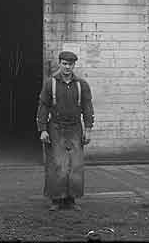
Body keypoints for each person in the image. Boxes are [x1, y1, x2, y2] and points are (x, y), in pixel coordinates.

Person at [36, 50, 94, 211]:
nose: (67, 67)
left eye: (70, 64)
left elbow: (87, 107)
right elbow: (43, 107)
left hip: (75, 128)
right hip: (55, 127)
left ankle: (71, 199)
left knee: (75, 164)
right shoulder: (50, 83)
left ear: (74, 65)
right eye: (64, 64)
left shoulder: (82, 85)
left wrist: (88, 129)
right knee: (58, 164)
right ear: (60, 64)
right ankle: (56, 199)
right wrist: (42, 129)